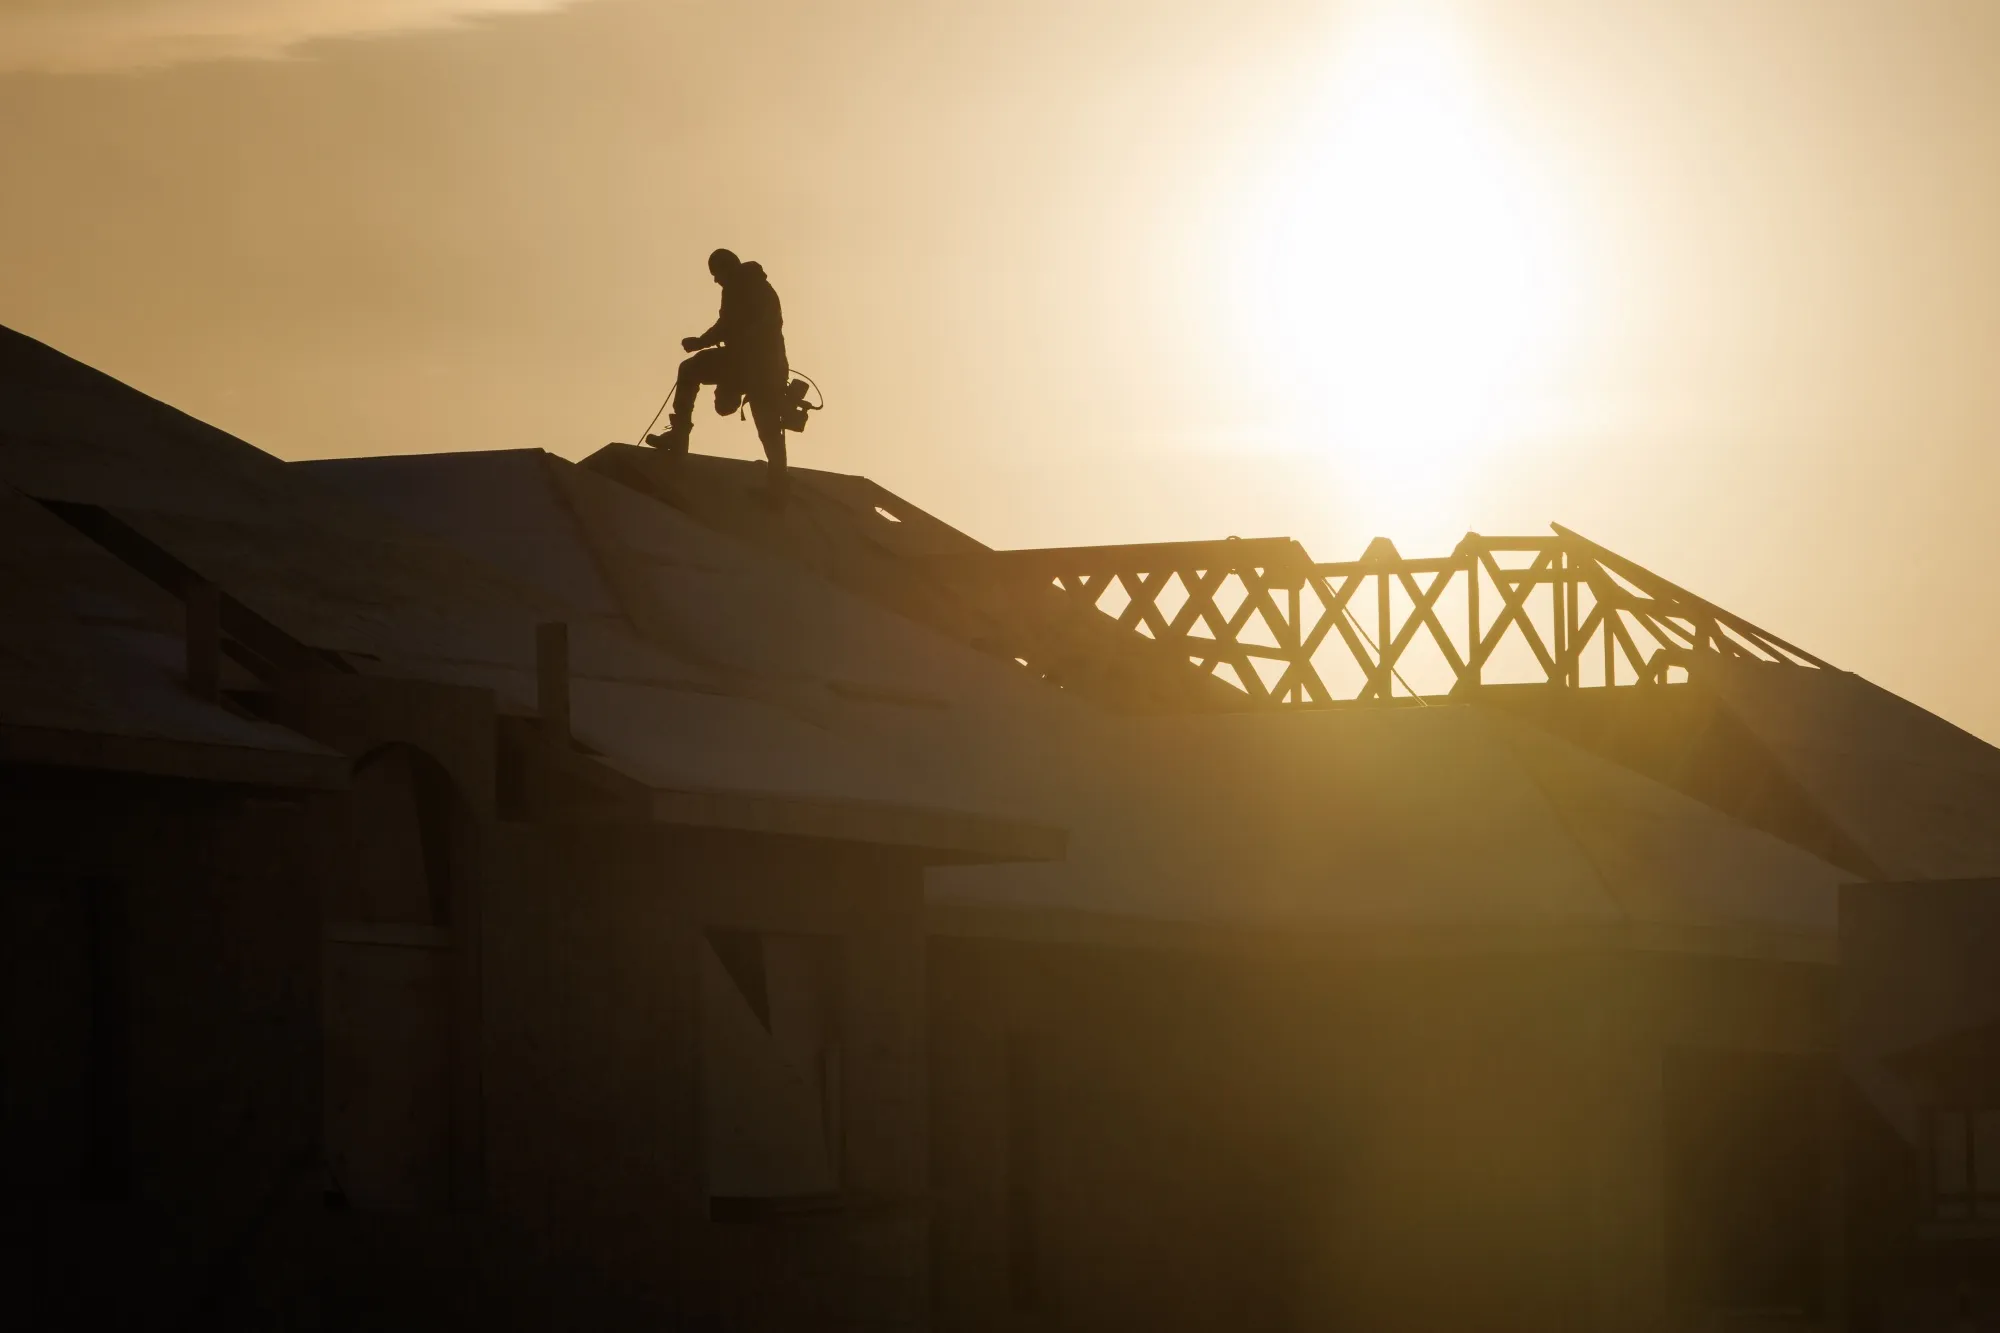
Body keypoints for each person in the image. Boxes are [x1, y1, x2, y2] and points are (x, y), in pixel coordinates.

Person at [648, 248, 791, 497]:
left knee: (767, 424)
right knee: (692, 370)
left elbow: (731, 326)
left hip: (761, 368)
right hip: (753, 365)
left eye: (716, 274)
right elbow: (729, 325)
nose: (716, 280)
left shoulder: (745, 286)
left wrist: (700, 343)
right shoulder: (747, 285)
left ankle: (778, 488)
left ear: (727, 269)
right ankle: (680, 437)